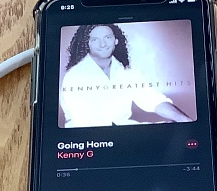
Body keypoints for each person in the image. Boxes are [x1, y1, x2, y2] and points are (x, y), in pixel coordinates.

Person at [59, 24, 193, 127]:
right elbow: (91, 123)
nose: (103, 44)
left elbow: (152, 99)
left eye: (107, 38)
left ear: (116, 41)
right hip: (87, 142)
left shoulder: (126, 72)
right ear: (87, 44)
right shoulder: (74, 76)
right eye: (95, 39)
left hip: (123, 133)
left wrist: (184, 120)